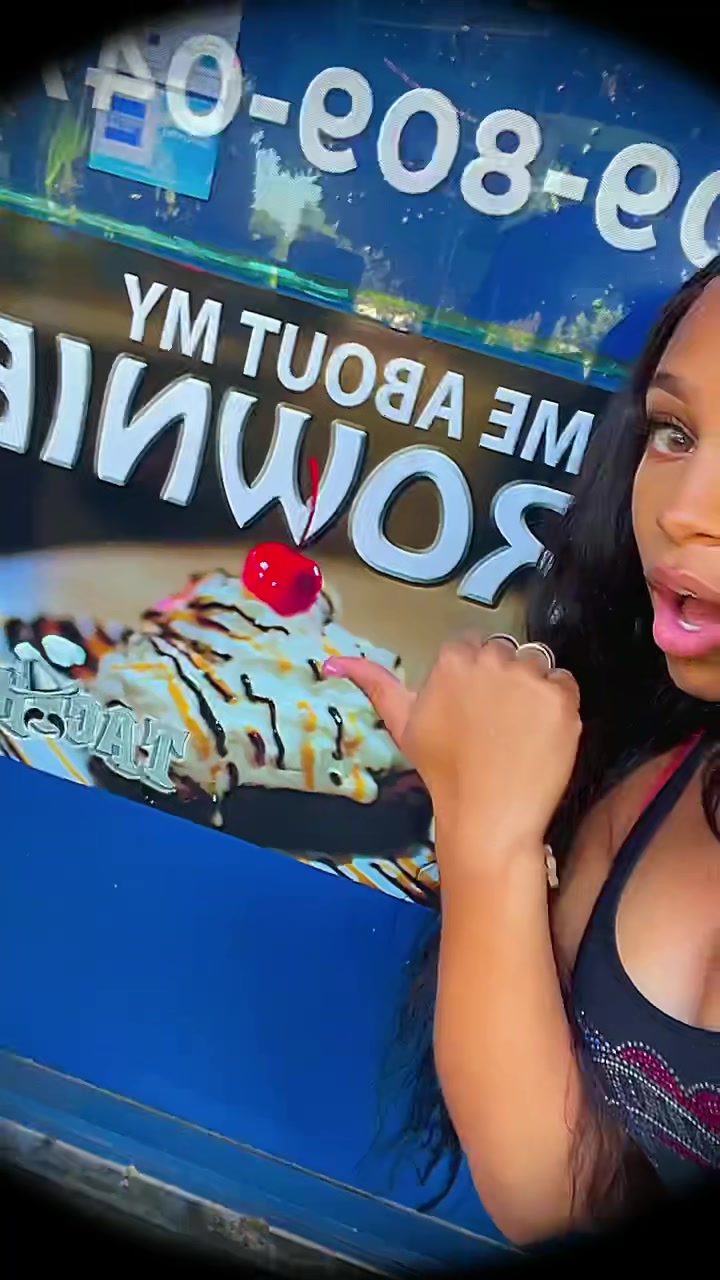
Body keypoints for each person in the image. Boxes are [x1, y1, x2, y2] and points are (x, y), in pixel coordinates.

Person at [321, 258, 720, 1246]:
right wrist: (487, 816)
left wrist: (491, 833)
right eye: (675, 432)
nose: (685, 507)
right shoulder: (655, 779)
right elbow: (568, 1180)